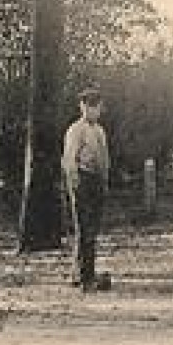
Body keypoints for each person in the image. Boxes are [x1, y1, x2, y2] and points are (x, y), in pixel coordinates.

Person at [62, 87, 112, 289]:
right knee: (84, 229)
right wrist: (75, 184)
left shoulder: (99, 131)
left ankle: (79, 272)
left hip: (96, 181)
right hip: (83, 180)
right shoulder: (76, 130)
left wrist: (104, 181)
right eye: (88, 106)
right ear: (82, 107)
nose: (92, 111)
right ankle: (86, 276)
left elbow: (104, 158)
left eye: (96, 107)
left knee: (92, 229)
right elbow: (69, 160)